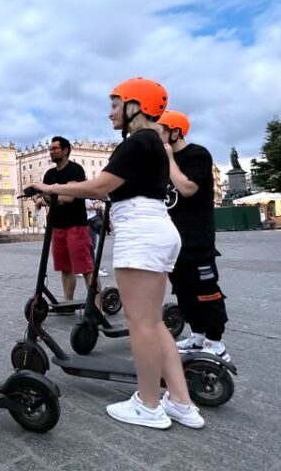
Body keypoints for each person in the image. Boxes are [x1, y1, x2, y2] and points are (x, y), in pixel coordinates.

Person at [27, 77, 204, 430]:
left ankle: (149, 404)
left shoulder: (137, 142)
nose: (110, 113)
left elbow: (100, 185)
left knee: (141, 324)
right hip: (158, 227)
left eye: (115, 104)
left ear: (135, 105)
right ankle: (181, 402)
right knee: (153, 322)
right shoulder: (156, 143)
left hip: (140, 230)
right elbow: (112, 190)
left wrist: (48, 186)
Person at [159, 110, 230, 361]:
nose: (158, 135)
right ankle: (197, 335)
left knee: (205, 290)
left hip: (196, 237)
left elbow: (187, 188)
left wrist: (168, 159)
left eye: (162, 130)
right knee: (183, 289)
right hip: (172, 238)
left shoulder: (197, 154)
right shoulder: (162, 160)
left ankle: (216, 341)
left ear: (176, 132)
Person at [35, 137, 93, 300]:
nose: (51, 151)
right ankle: (68, 302)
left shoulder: (75, 170)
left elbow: (68, 197)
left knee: (85, 267)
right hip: (57, 225)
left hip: (76, 225)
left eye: (55, 148)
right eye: (50, 149)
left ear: (66, 150)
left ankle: (97, 307)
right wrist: (38, 199)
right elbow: (43, 195)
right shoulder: (50, 174)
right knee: (65, 268)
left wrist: (46, 197)